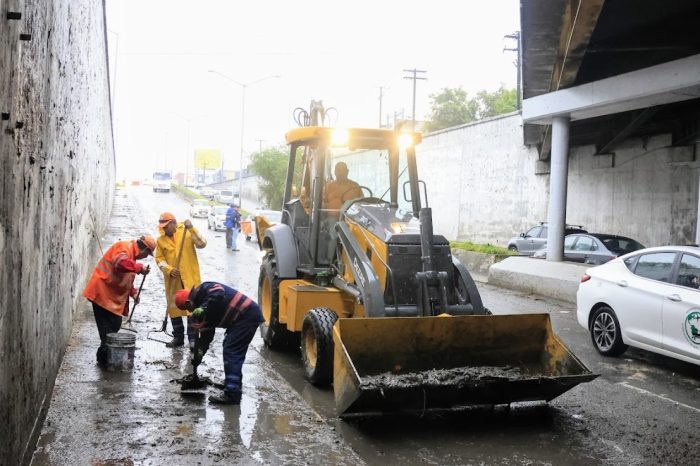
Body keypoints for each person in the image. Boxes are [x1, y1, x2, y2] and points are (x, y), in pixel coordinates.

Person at [174, 282, 263, 404]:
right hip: (238, 320)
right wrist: (200, 352)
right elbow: (207, 335)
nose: (190, 312)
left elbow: (218, 292)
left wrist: (203, 308)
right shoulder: (200, 313)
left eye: (187, 309)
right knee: (230, 348)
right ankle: (232, 385)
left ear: (189, 303)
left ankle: (232, 395)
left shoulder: (205, 288)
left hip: (247, 314)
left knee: (231, 350)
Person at [83, 235, 155, 366]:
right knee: (108, 335)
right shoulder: (125, 247)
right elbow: (120, 264)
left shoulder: (131, 256)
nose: (145, 257)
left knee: (115, 325)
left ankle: (105, 356)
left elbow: (126, 277)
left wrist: (133, 293)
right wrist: (139, 268)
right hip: (101, 293)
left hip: (110, 298)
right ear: (144, 249)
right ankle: (104, 361)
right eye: (147, 254)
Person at [156, 212, 207, 349]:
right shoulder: (160, 240)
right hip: (173, 281)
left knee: (192, 309)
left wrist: (192, 228)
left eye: (166, 226)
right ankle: (178, 338)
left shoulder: (186, 232)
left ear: (173, 223)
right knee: (174, 310)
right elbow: (159, 260)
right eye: (162, 226)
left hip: (190, 279)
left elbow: (202, 243)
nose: (164, 229)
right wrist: (169, 269)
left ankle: (193, 340)